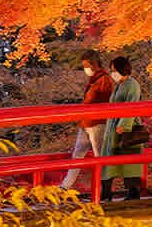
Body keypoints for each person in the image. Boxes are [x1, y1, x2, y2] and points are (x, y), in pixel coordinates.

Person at [61, 50, 114, 189]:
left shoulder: (104, 79)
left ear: (93, 64)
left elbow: (105, 100)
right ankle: (65, 186)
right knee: (77, 154)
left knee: (99, 157)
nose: (85, 69)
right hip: (87, 121)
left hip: (97, 123)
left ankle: (104, 189)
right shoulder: (95, 79)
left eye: (86, 66)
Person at [100, 56, 144, 200]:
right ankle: (106, 192)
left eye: (114, 70)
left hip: (126, 127)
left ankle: (133, 192)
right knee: (108, 160)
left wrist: (123, 125)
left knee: (129, 160)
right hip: (114, 126)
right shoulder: (120, 84)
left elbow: (132, 105)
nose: (112, 73)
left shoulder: (132, 85)